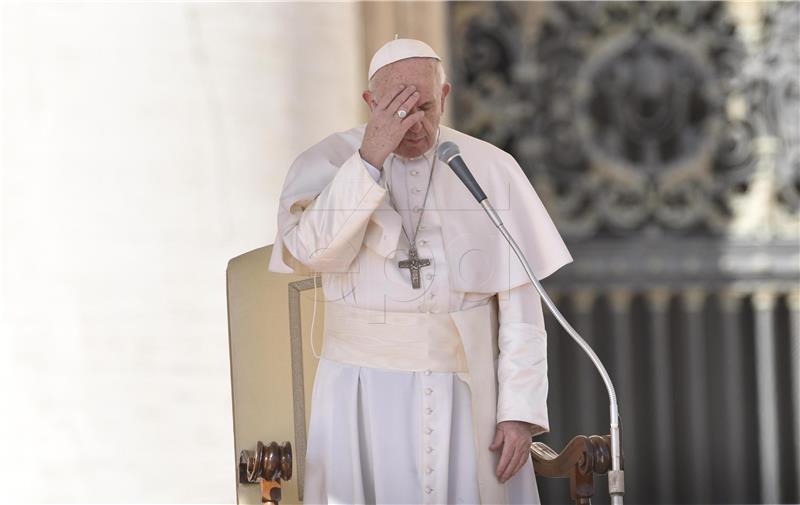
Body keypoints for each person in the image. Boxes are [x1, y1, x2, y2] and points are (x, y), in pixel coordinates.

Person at [269, 38, 572, 504]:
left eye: (426, 106)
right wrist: (368, 161)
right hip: (361, 392)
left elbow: (521, 311)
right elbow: (311, 254)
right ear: (371, 103)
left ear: (445, 96)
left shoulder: (490, 167)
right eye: (397, 108)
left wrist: (519, 411)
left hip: (469, 395)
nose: (415, 123)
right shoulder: (328, 163)